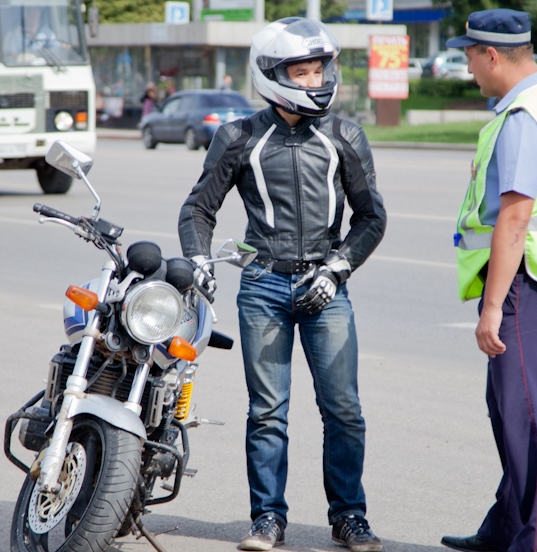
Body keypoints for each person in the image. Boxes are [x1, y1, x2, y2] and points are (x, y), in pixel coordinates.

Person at [178, 17, 387, 552]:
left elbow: (371, 217)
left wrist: (337, 268)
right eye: (302, 69)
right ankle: (267, 519)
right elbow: (198, 209)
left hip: (326, 287)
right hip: (263, 288)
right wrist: (199, 261)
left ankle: (349, 517)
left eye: (319, 68)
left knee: (344, 409)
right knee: (267, 413)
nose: (315, 78)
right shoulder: (239, 136)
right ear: (273, 74)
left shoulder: (344, 135)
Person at [441, 8, 537, 552]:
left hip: (526, 283)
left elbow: (515, 217)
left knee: (532, 423)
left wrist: (491, 307)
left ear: (492, 55)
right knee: (511, 412)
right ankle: (505, 527)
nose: (469, 69)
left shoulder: (524, 117)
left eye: (469, 57)